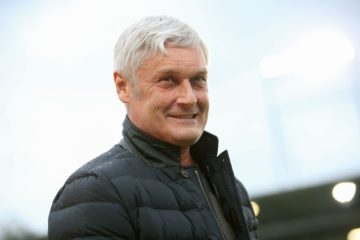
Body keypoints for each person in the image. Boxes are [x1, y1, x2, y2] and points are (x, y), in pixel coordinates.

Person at [48, 15, 258, 240]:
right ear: (123, 86)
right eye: (168, 80)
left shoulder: (230, 187)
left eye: (198, 79)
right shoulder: (95, 193)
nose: (189, 98)